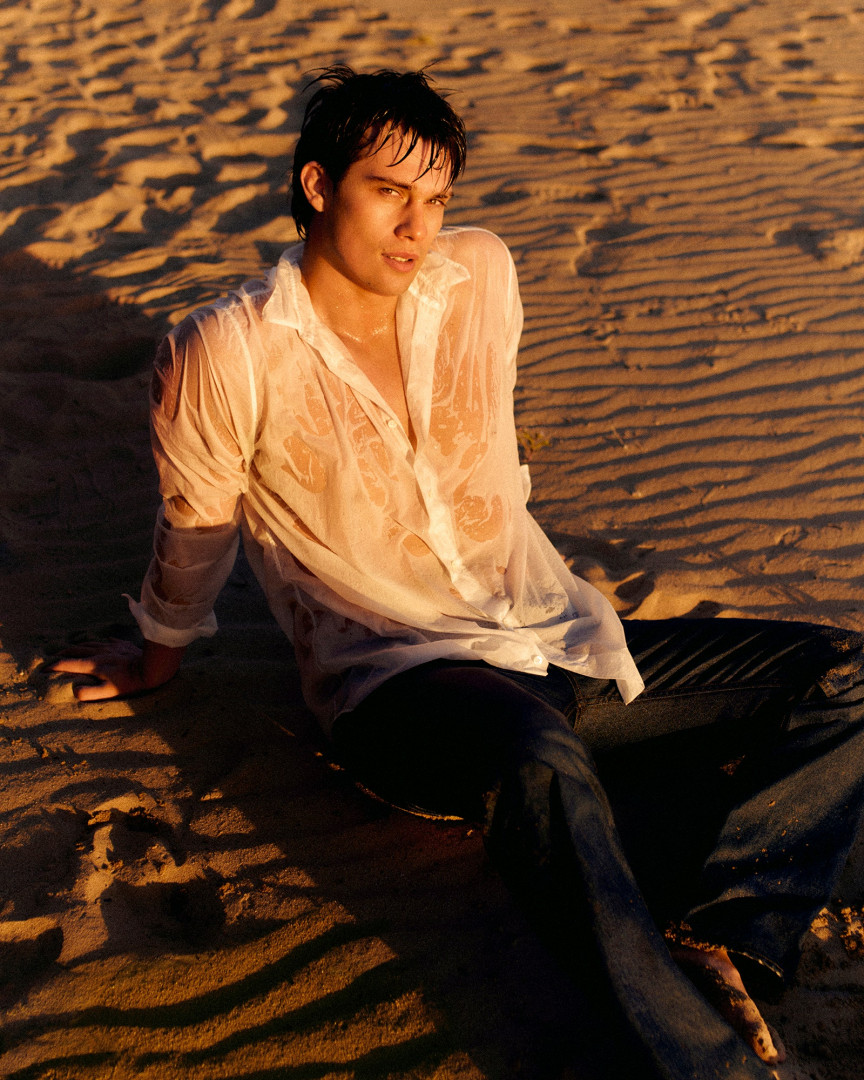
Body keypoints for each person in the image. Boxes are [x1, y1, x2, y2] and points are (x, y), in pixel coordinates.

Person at [52, 67, 864, 1079]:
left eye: (435, 198)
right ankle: (703, 1064)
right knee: (539, 756)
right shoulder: (227, 350)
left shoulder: (480, 274)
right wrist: (158, 652)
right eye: (390, 192)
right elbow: (196, 524)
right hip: (400, 683)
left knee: (844, 673)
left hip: (551, 635)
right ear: (318, 185)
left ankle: (726, 933)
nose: (417, 226)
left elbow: (491, 446)